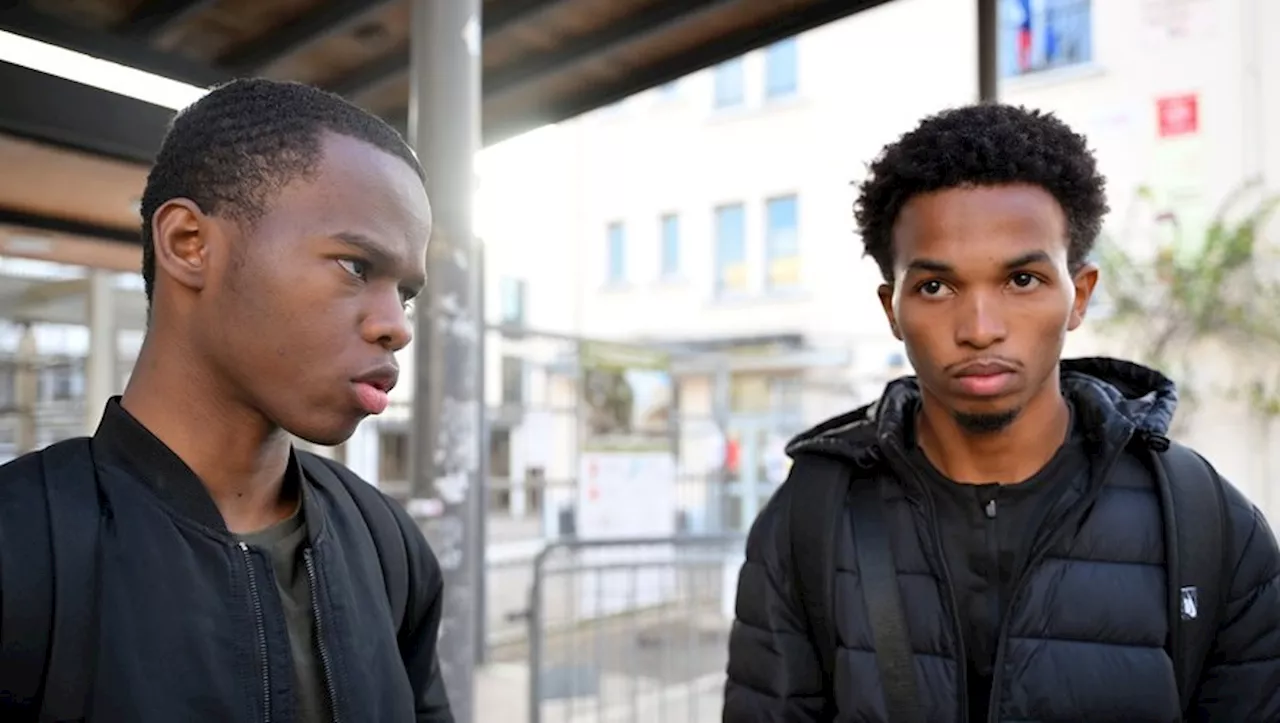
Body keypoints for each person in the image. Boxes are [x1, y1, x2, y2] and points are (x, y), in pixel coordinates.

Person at [723, 104, 1280, 722]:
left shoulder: (1209, 526)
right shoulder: (808, 521)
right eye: (936, 287)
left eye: (1021, 280)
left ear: (1080, 295)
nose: (980, 329)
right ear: (892, 309)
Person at [0, 79, 453, 722]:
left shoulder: (387, 545)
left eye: (405, 292)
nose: (397, 325)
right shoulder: (22, 548)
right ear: (190, 243)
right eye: (356, 266)